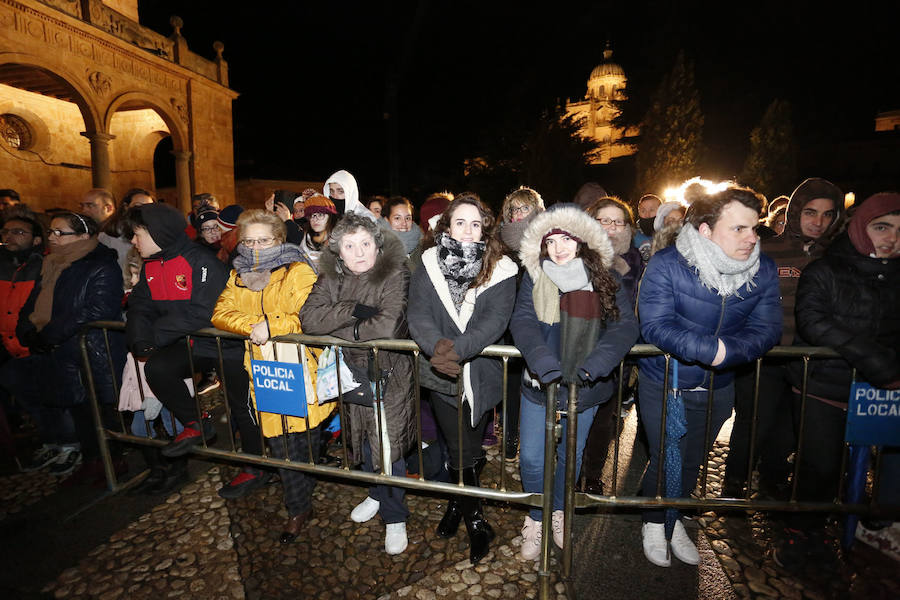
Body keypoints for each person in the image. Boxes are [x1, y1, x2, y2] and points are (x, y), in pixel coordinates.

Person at [637, 185, 781, 568]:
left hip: (721, 384)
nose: (752, 238)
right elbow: (654, 325)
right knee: (667, 454)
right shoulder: (668, 263)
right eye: (739, 229)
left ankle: (676, 516)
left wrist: (730, 353)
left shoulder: (762, 268)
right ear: (705, 230)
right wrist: (710, 350)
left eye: (755, 228)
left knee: (693, 458)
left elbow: (768, 328)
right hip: (666, 380)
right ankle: (654, 520)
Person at [774, 193, 900, 569]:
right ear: (861, 228)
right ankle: (801, 535)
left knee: (871, 465)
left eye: (899, 230)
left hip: (879, 393)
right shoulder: (825, 270)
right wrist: (881, 364)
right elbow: (814, 321)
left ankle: (868, 521)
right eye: (882, 227)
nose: (891, 238)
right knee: (819, 466)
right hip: (823, 388)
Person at [510, 204, 639, 560]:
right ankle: (536, 517)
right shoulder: (535, 276)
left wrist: (594, 365)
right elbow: (522, 321)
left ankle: (559, 510)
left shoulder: (605, 276)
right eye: (552, 241)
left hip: (585, 387)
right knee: (533, 459)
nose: (559, 247)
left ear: (581, 241)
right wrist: (541, 360)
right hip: (540, 384)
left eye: (567, 239)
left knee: (571, 454)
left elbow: (625, 326)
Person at [407, 192, 518, 564]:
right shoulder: (427, 262)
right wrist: (437, 347)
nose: (468, 230)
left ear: (485, 228)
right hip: (441, 373)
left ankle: (461, 509)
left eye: (475, 223)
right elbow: (418, 312)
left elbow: (494, 322)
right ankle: (474, 518)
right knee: (457, 447)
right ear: (447, 225)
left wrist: (456, 349)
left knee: (467, 448)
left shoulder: (502, 267)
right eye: (460, 222)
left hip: (479, 374)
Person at [299, 212, 415, 555]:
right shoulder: (331, 276)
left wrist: (342, 331)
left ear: (377, 245)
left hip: (389, 373)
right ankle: (375, 492)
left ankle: (396, 516)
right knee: (362, 438)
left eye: (365, 243)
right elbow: (308, 318)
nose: (359, 252)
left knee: (388, 445)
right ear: (339, 251)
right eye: (350, 246)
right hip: (349, 372)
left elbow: (389, 326)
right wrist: (353, 308)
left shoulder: (396, 272)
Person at [124, 203, 258, 498]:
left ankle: (255, 467)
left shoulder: (200, 261)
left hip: (227, 344)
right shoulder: (151, 265)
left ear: (157, 232)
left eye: (137, 234)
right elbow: (139, 306)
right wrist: (138, 338)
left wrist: (155, 336)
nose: (133, 242)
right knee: (157, 368)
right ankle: (198, 422)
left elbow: (202, 312)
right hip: (194, 344)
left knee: (242, 407)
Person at [211, 209, 330, 538]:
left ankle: (303, 491)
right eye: (249, 240)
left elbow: (310, 317)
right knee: (281, 443)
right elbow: (221, 312)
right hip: (264, 370)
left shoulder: (298, 270)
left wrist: (273, 326)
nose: (256, 247)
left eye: (263, 240)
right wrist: (252, 327)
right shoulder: (237, 274)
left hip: (302, 369)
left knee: (305, 442)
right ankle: (298, 507)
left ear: (278, 239)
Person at [723, 177, 843, 498]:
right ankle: (735, 482)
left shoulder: (836, 258)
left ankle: (772, 480)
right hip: (764, 355)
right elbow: (740, 296)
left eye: (827, 214)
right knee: (754, 422)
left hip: (811, 359)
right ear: (794, 212)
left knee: (792, 426)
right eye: (810, 212)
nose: (818, 221)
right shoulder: (767, 249)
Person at [14, 212, 125, 478]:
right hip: (61, 353)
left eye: (59, 232)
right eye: (51, 232)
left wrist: (49, 335)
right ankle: (90, 462)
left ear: (84, 236)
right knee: (76, 410)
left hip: (90, 352)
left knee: (98, 413)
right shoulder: (52, 264)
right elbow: (35, 301)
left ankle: (112, 467)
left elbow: (97, 309)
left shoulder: (101, 264)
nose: (52, 237)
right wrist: (27, 330)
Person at [496, 187, 545, 461]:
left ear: (536, 210)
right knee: (510, 384)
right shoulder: (501, 243)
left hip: (535, 322)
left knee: (535, 383)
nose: (518, 214)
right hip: (506, 323)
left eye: (524, 208)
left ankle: (535, 439)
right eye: (514, 209)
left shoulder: (546, 241)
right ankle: (511, 435)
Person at [299, 194, 338, 272]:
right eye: (312, 216)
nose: (315, 219)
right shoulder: (306, 237)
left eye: (320, 215)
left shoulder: (339, 239)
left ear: (330, 218)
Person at [634, 193, 662, 262]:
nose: (647, 215)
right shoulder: (631, 234)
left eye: (652, 210)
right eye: (643, 211)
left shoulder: (668, 233)